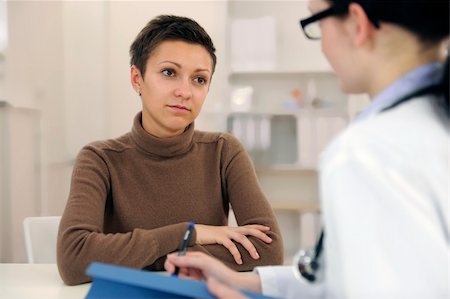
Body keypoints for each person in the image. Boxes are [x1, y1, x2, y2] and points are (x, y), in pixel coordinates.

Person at [165, 0, 449, 298]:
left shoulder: (368, 153)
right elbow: (357, 279)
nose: (323, 46)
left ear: (357, 24)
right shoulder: (427, 124)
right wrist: (248, 283)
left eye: (317, 23)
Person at [57, 15, 284, 286]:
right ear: (136, 78)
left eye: (199, 79)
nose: (185, 91)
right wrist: (189, 234)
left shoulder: (224, 152)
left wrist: (136, 254)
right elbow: (74, 259)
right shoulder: (99, 159)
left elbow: (268, 252)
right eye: (169, 72)